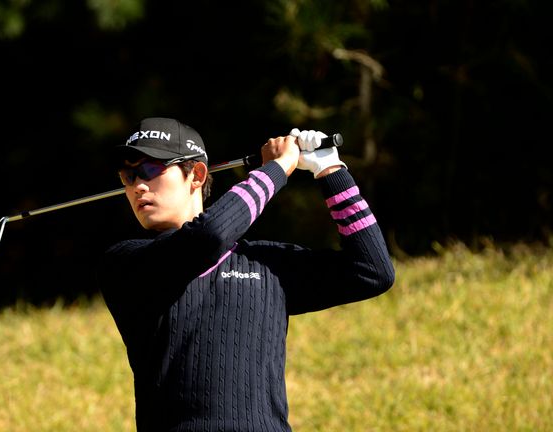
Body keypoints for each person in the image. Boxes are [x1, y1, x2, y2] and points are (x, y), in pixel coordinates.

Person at [97, 117, 395, 431]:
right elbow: (209, 236)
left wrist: (330, 171)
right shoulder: (124, 263)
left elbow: (371, 271)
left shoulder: (266, 263)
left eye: (150, 169)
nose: (138, 186)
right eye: (128, 176)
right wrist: (277, 169)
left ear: (196, 175)